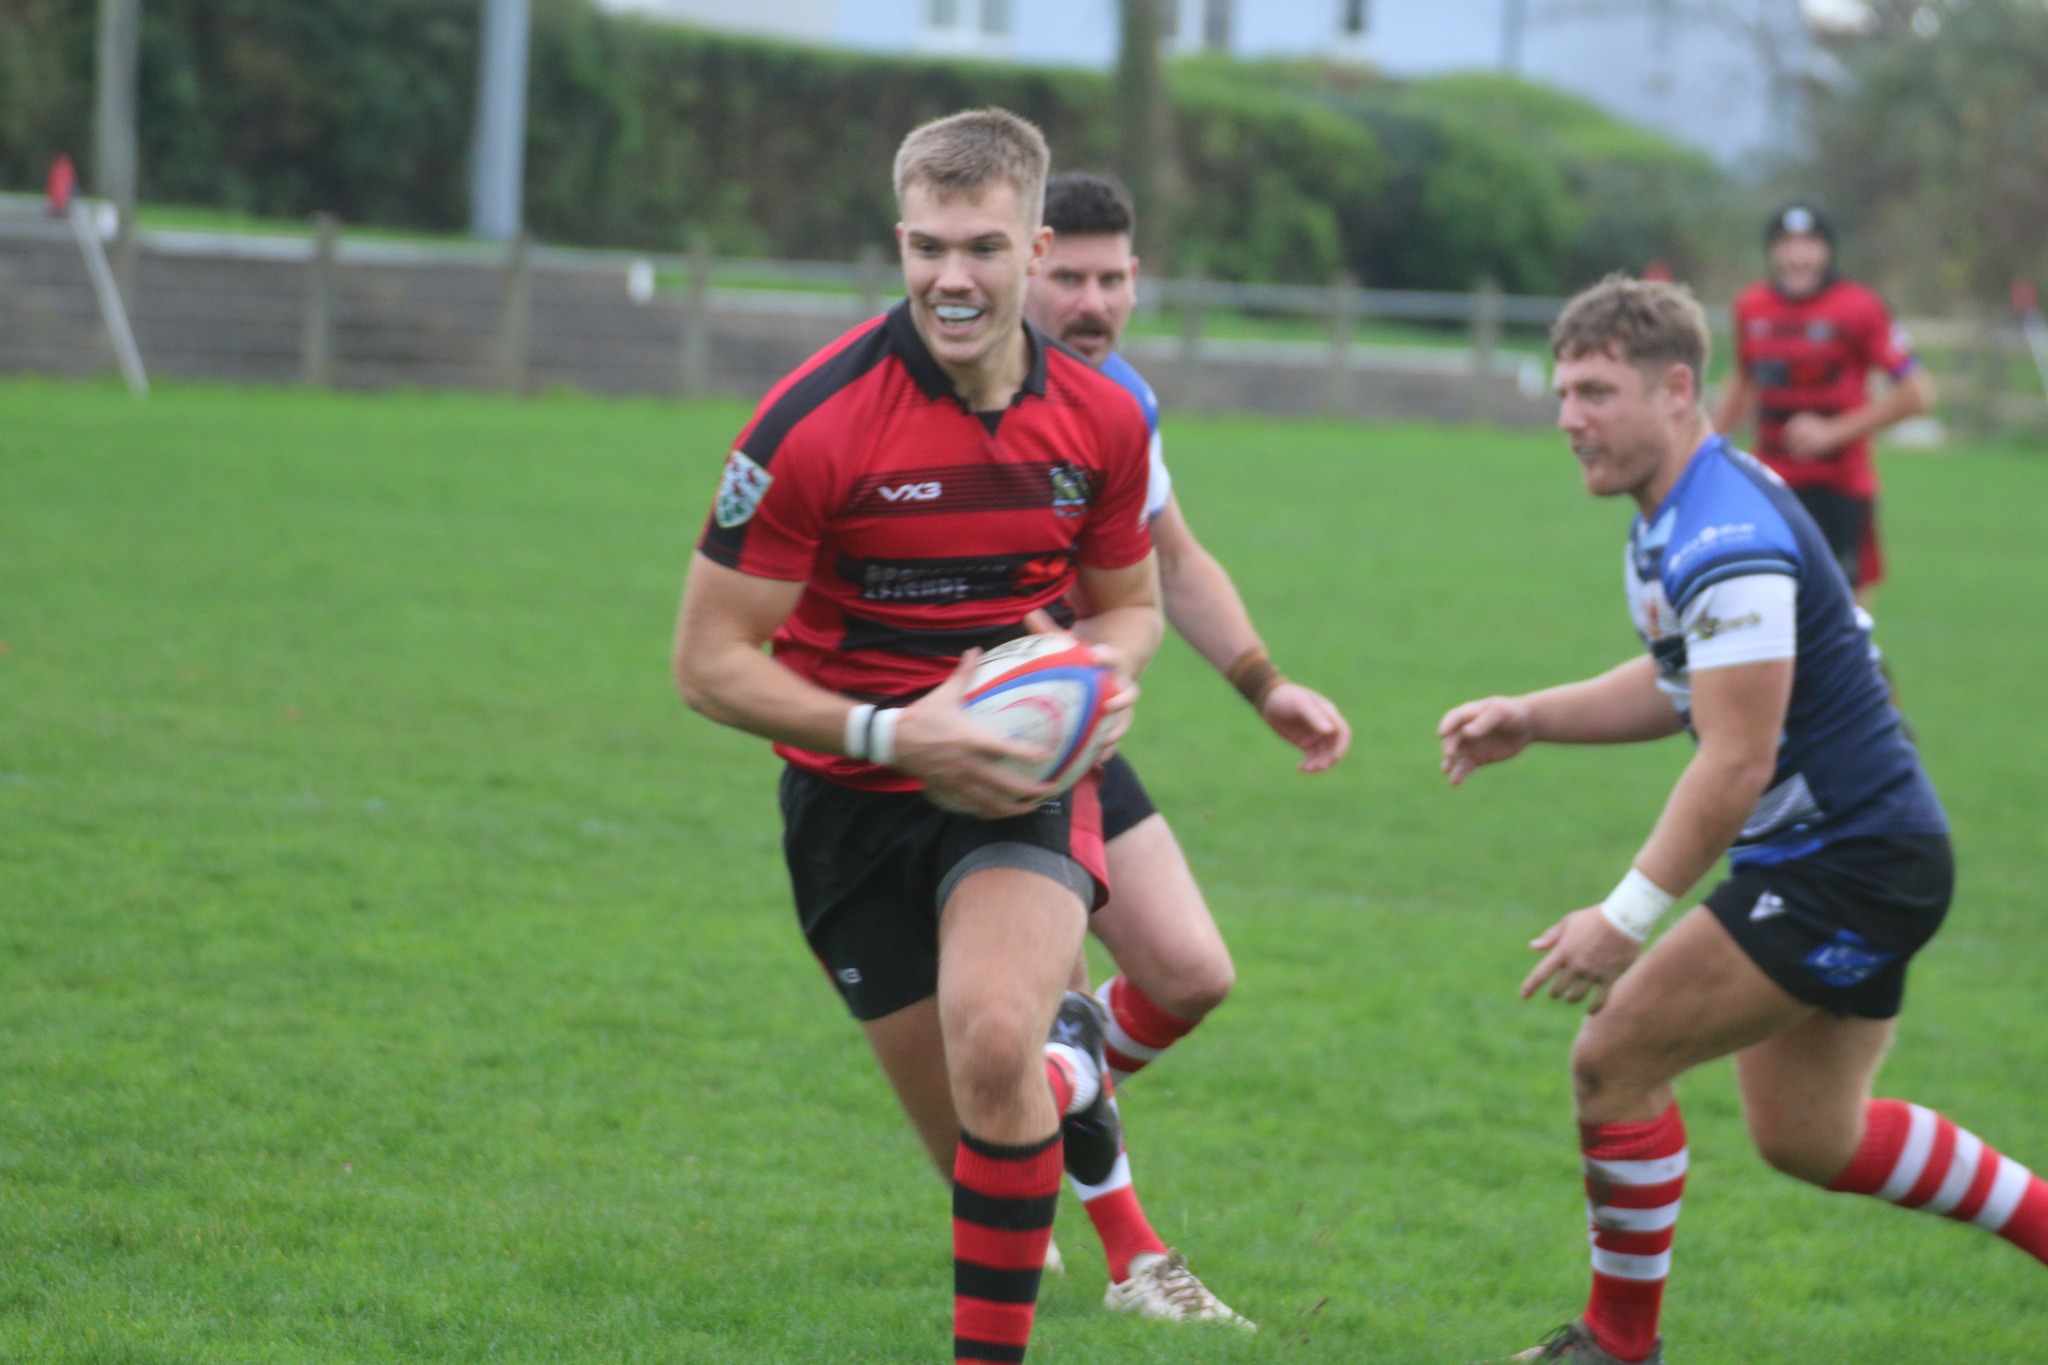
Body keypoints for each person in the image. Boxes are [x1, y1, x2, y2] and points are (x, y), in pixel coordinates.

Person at [1439, 275, 2047, 1364]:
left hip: (1844, 861)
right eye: (1560, 390)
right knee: (1812, 1138)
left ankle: (1615, 1348)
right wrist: (1532, 717)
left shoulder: (1721, 536)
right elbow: (1689, 680)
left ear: (1677, 390)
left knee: (1610, 1057)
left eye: (1594, 391)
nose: (1568, 417)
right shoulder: (1688, 509)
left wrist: (1624, 917)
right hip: (1864, 852)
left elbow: (1732, 759)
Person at [674, 109, 1164, 1364]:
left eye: (985, 249)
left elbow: (1129, 606)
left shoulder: (1100, 423)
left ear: (1033, 246)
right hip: (848, 798)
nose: (954, 279)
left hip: (1014, 786)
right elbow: (707, 662)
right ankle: (1068, 1085)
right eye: (929, 249)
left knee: (998, 1039)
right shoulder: (812, 425)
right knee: (977, 1136)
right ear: (898, 243)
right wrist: (896, 735)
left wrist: (1102, 681)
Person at [1020, 171, 1350, 1317]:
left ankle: (1014, 1122)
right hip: (977, 740)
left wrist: (1263, 684)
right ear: (1020, 265)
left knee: (1186, 974)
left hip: (1073, 732)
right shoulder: (965, 398)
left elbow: (1172, 556)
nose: (1091, 300)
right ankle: (1131, 1261)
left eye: (1112, 279)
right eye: (1068, 276)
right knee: (1050, 1003)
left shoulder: (1121, 401)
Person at [1711, 202, 1934, 609]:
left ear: (1827, 251)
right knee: (1764, 610)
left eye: (1809, 244)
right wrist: (1706, 455)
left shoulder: (1861, 307)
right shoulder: (1751, 306)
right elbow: (1741, 380)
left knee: (1845, 621)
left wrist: (1833, 432)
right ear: (1772, 252)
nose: (1797, 255)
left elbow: (1917, 393)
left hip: (1840, 487)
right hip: (1770, 485)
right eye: (1786, 244)